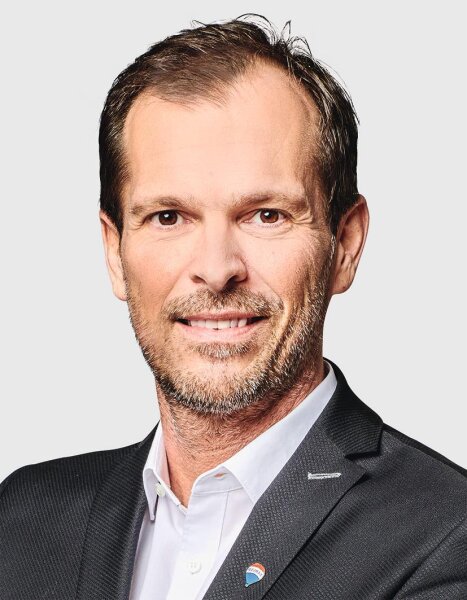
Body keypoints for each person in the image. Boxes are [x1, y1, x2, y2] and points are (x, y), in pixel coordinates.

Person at [0, 15, 465, 600]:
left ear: (344, 246)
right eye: (169, 217)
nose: (217, 268)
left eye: (266, 215)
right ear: (115, 253)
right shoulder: (24, 520)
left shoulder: (445, 537)